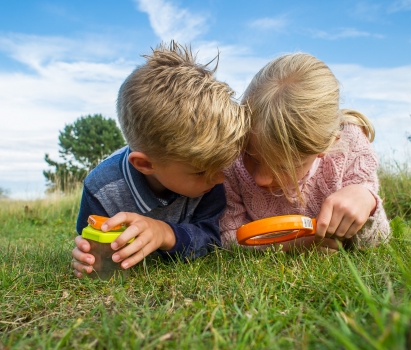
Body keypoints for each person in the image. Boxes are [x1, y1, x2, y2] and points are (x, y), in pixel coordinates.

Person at [71, 42, 248, 277]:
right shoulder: (101, 189)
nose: (219, 178)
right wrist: (88, 255)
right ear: (144, 165)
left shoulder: (210, 177)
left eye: (220, 167)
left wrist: (165, 234)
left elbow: (212, 237)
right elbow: (91, 243)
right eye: (200, 172)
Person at [220, 53, 390, 251]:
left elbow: (376, 240)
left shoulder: (350, 147)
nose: (260, 179)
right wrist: (297, 245)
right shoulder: (232, 157)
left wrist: (366, 200)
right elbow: (228, 239)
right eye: (250, 155)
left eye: (283, 166)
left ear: (325, 145)